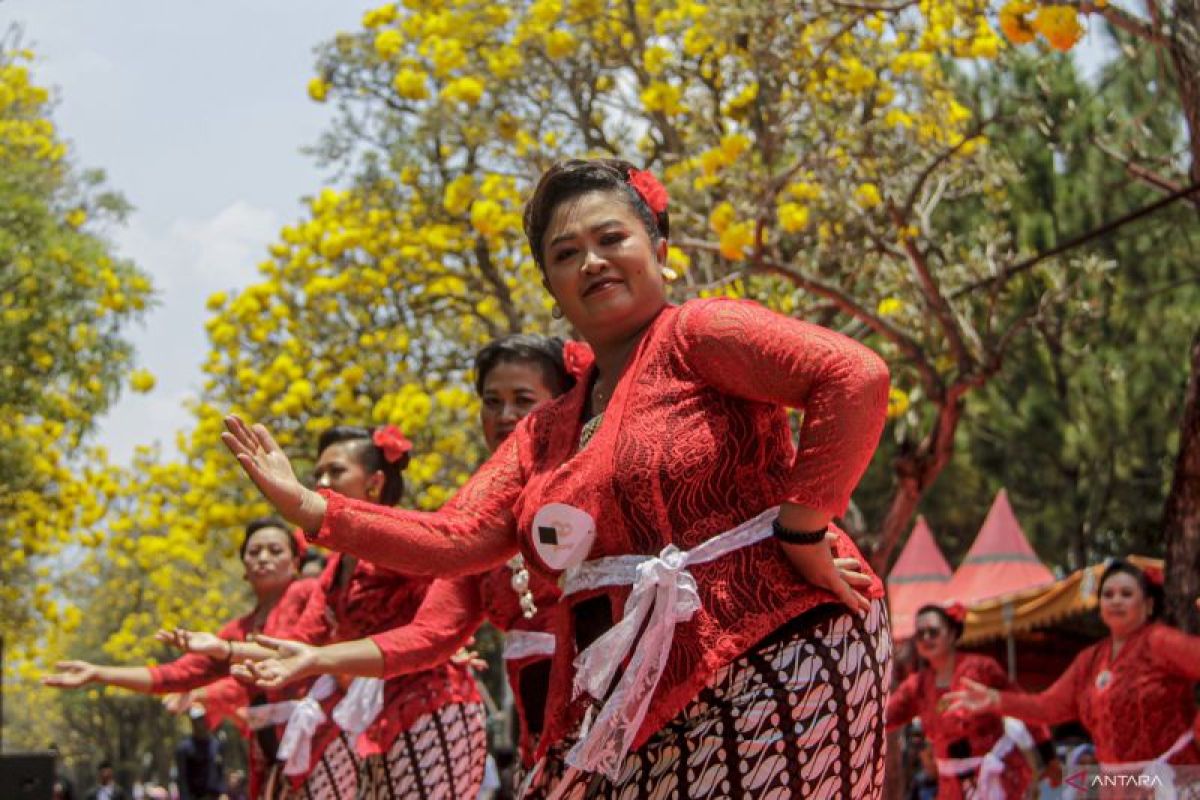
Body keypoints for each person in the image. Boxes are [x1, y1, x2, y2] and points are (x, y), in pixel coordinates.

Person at [221, 157, 892, 798]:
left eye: (610, 238)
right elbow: (457, 537)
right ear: (550, 285)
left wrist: (804, 527)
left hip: (775, 650)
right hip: (631, 695)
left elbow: (852, 376)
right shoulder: (549, 431)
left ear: (657, 246)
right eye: (566, 253)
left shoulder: (699, 333)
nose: (592, 261)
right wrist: (311, 507)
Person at [235, 335, 576, 778]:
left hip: (614, 698)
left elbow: (432, 549)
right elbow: (432, 631)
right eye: (491, 401)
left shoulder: (590, 475)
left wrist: (308, 507)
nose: (504, 415)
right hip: (528, 729)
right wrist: (312, 659)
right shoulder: (477, 521)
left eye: (522, 400)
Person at [201, 424, 488, 798]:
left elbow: (445, 609)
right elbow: (299, 643)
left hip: (432, 706)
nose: (322, 481)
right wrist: (226, 650)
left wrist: (454, 641)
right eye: (317, 474)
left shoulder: (405, 537)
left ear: (374, 484)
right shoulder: (336, 571)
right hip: (374, 717)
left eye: (335, 472)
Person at [43, 519, 317, 799]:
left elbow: (301, 653)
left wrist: (223, 660)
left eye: (275, 550)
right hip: (269, 753)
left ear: (296, 561)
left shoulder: (310, 594)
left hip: (321, 737)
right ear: (244, 568)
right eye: (254, 551)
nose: (263, 558)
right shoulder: (238, 631)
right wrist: (98, 673)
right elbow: (172, 675)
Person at [948, 560, 1200, 792]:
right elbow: (1048, 706)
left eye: (1126, 594)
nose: (1115, 601)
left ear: (1148, 605)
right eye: (1108, 595)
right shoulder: (1090, 660)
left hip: (1173, 779)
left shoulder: (1161, 642)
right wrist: (996, 700)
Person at [887, 602, 1055, 798]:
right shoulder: (917, 686)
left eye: (933, 632)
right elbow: (884, 718)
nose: (926, 638)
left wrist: (1049, 756)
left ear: (952, 633)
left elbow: (1022, 706)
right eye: (920, 633)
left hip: (997, 778)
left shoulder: (982, 669)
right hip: (952, 787)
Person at [175, 708, 226, 800]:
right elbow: (182, 779)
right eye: (196, 720)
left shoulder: (216, 745)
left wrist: (223, 792)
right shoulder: (185, 748)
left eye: (201, 719)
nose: (199, 723)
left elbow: (220, 771)